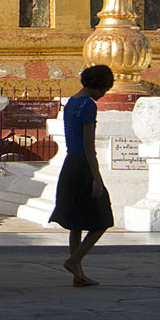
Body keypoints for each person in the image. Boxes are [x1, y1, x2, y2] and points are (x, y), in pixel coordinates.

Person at [49, 64, 116, 287]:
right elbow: (89, 144)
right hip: (84, 165)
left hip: (70, 164)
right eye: (104, 89)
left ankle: (79, 275)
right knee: (103, 219)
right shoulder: (88, 105)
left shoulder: (71, 103)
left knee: (76, 222)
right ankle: (74, 260)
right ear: (97, 86)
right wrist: (96, 177)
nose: (103, 94)